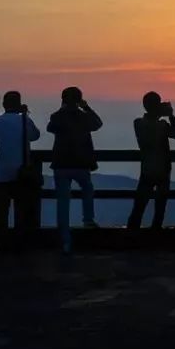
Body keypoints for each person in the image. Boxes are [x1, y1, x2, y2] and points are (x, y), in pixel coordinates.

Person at [48, 86, 103, 254]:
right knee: (87, 189)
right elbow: (98, 123)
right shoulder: (84, 117)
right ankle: (88, 219)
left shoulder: (57, 117)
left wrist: (62, 108)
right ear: (79, 100)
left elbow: (51, 128)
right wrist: (86, 107)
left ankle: (65, 240)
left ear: (63, 99)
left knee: (63, 202)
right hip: (81, 163)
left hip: (61, 164)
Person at [0, 91, 42, 251]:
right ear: (19, 104)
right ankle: (21, 243)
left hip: (2, 172)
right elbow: (35, 136)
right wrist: (25, 115)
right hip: (22, 172)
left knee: (1, 211)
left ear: (4, 104)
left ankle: (2, 243)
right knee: (22, 209)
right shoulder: (25, 120)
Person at [127, 92, 175, 232]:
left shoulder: (138, 123)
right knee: (160, 208)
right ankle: (155, 236)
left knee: (139, 207)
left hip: (147, 169)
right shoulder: (162, 125)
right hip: (163, 169)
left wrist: (158, 113)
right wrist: (170, 115)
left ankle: (131, 237)